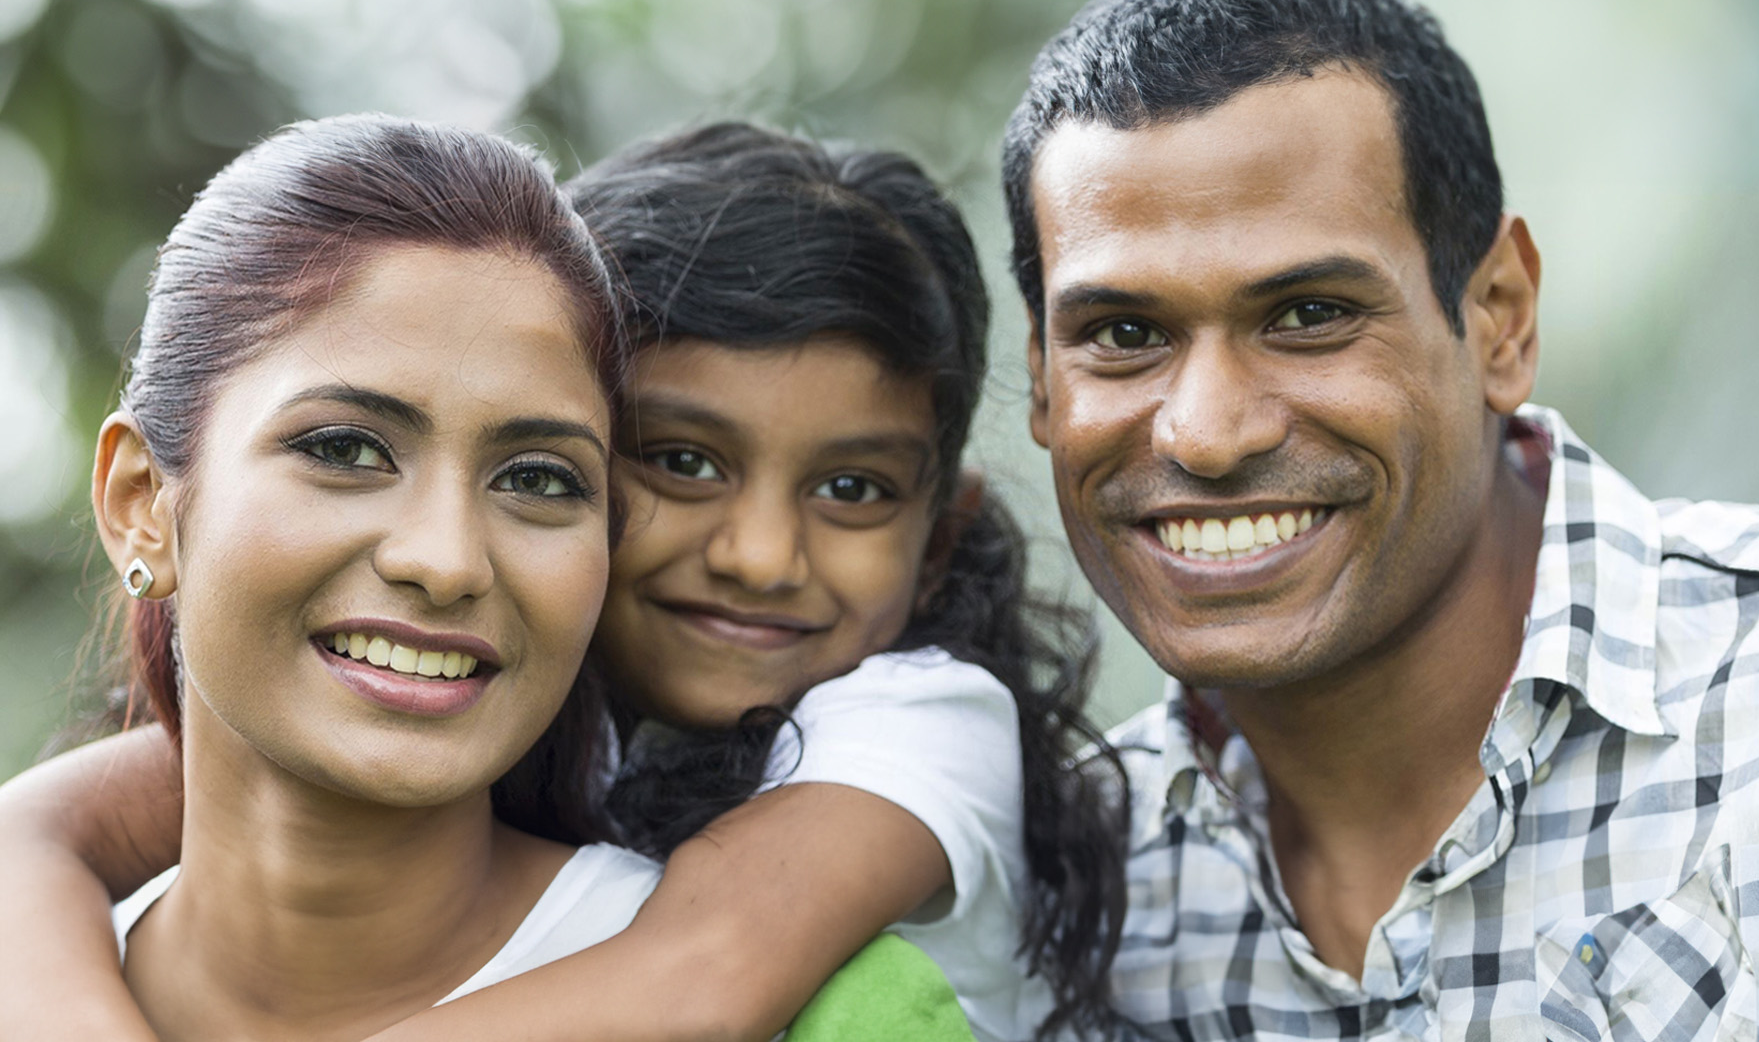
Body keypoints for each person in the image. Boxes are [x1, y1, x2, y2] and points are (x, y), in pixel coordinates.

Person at [0, 123, 1123, 1041]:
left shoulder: (919, 724)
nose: (759, 555)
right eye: (683, 462)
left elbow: (707, 969)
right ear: (142, 500)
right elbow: (42, 827)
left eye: (535, 476)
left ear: (941, 535)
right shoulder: (527, 723)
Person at [1002, 0, 1759, 1037]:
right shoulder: (1065, 894)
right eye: (1124, 336)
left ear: (1499, 320)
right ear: (1040, 381)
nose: (1206, 432)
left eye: (1307, 314)